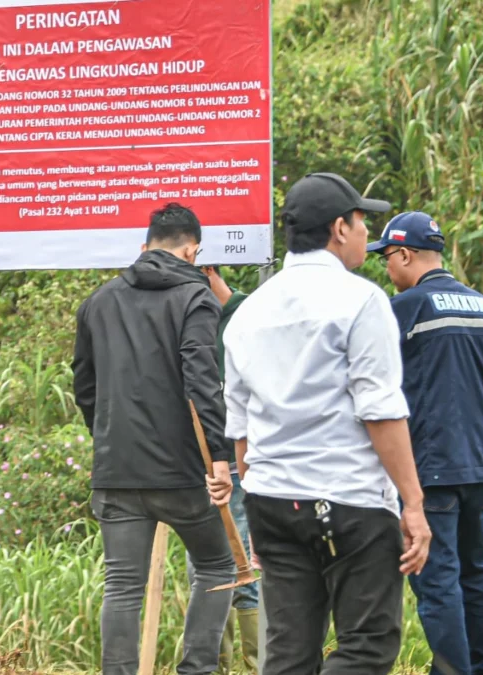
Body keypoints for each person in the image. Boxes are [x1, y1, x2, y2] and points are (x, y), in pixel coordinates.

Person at [222, 173, 432, 675]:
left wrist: (255, 499)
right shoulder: (361, 300)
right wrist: (414, 503)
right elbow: (379, 409)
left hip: (273, 501)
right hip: (350, 500)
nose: (366, 233)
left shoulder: (248, 313)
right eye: (362, 222)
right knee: (367, 644)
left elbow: (241, 426)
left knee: (290, 654)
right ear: (339, 228)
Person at [73, 202, 236, 675]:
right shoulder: (196, 297)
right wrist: (219, 457)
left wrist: (107, 435)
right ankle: (196, 669)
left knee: (122, 584)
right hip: (183, 473)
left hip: (117, 468)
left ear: (144, 248)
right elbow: (202, 380)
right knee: (218, 567)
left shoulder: (98, 302)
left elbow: (84, 384)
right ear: (192, 251)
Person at [369, 211, 483, 675]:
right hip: (480, 468)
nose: (386, 270)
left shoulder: (404, 310)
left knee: (439, 582)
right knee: (476, 575)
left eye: (387, 258)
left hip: (430, 471)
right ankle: (481, 668)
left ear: (405, 254)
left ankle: (452, 671)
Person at [195, 266, 257, 675]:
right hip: (199, 462)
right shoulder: (190, 318)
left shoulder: (249, 315)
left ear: (207, 270)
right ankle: (214, 665)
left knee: (245, 568)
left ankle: (257, 664)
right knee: (206, 570)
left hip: (243, 462)